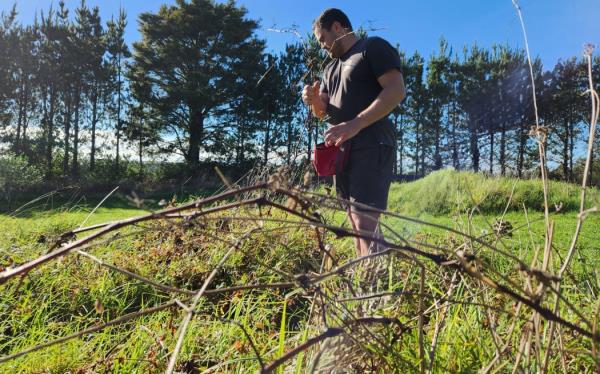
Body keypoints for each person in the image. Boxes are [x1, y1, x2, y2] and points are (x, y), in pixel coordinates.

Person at [302, 8, 406, 257]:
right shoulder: (329, 69)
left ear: (338, 28)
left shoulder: (372, 48)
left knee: (365, 221)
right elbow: (322, 112)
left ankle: (376, 287)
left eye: (322, 39)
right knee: (353, 219)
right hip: (343, 150)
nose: (322, 46)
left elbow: (395, 91)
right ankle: (369, 273)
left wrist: (355, 124)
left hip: (373, 143)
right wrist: (314, 100)